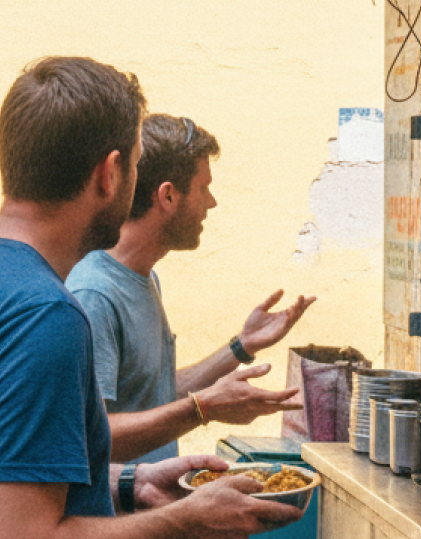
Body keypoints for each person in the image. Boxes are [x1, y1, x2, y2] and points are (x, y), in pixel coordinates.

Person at [0, 56, 301, 538]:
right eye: (137, 164)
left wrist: (127, 483)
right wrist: (186, 518)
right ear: (110, 172)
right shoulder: (48, 316)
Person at [66, 113, 315, 463]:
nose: (211, 203)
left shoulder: (145, 278)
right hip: (118, 514)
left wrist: (241, 347)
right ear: (168, 196)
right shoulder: (94, 295)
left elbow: (154, 396)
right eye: (204, 188)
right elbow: (92, 439)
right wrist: (203, 410)